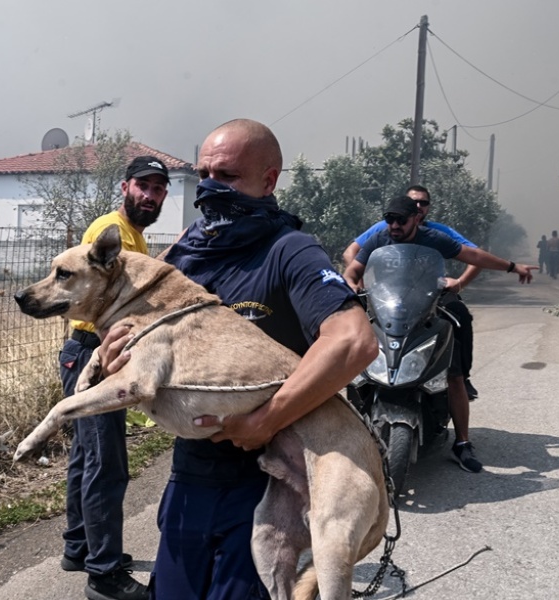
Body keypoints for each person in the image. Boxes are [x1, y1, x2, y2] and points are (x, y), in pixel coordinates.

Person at [96, 119, 376, 599]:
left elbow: (354, 342)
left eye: (226, 177)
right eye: (204, 173)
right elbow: (133, 336)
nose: (209, 188)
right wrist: (111, 354)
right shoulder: (186, 251)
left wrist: (267, 420)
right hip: (190, 475)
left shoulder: (290, 251)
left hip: (266, 480)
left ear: (268, 181)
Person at [343, 196, 536, 474]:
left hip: (427, 310)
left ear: (416, 218)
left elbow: (473, 256)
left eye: (401, 220)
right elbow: (353, 269)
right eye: (390, 219)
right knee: (353, 363)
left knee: (453, 372)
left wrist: (511, 266)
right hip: (386, 312)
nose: (394, 225)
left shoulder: (433, 238)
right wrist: (351, 284)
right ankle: (349, 431)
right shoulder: (379, 239)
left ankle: (462, 443)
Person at [58, 155, 170, 600]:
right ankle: (104, 576)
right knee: (107, 465)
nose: (151, 195)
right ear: (125, 187)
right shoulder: (111, 233)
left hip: (86, 352)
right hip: (93, 353)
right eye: (143, 185)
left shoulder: (135, 237)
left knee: (87, 456)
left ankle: (80, 547)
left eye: (159, 189)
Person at [342, 185, 483, 403]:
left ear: (425, 209)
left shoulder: (438, 232)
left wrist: (460, 283)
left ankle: (461, 376)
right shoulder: (384, 228)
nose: (418, 206)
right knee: (351, 320)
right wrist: (359, 281)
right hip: (386, 296)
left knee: (459, 315)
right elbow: (351, 252)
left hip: (428, 296)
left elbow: (476, 255)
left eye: (423, 203)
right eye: (412, 202)